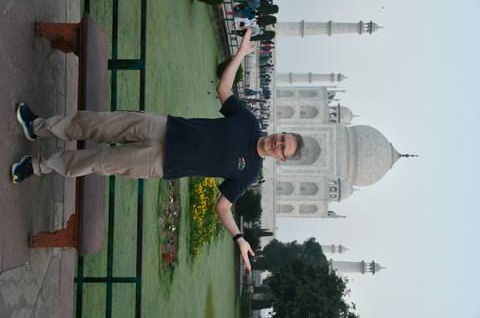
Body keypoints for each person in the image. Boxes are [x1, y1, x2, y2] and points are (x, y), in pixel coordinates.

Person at [10, 29, 304, 271]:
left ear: (280, 158)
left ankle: (37, 165)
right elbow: (224, 90)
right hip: (163, 127)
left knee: (97, 161)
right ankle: (38, 127)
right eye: (281, 137)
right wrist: (240, 53)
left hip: (161, 163)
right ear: (279, 133)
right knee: (98, 124)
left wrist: (239, 237)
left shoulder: (249, 173)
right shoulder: (249, 123)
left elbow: (222, 207)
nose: (277, 142)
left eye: (282, 148)